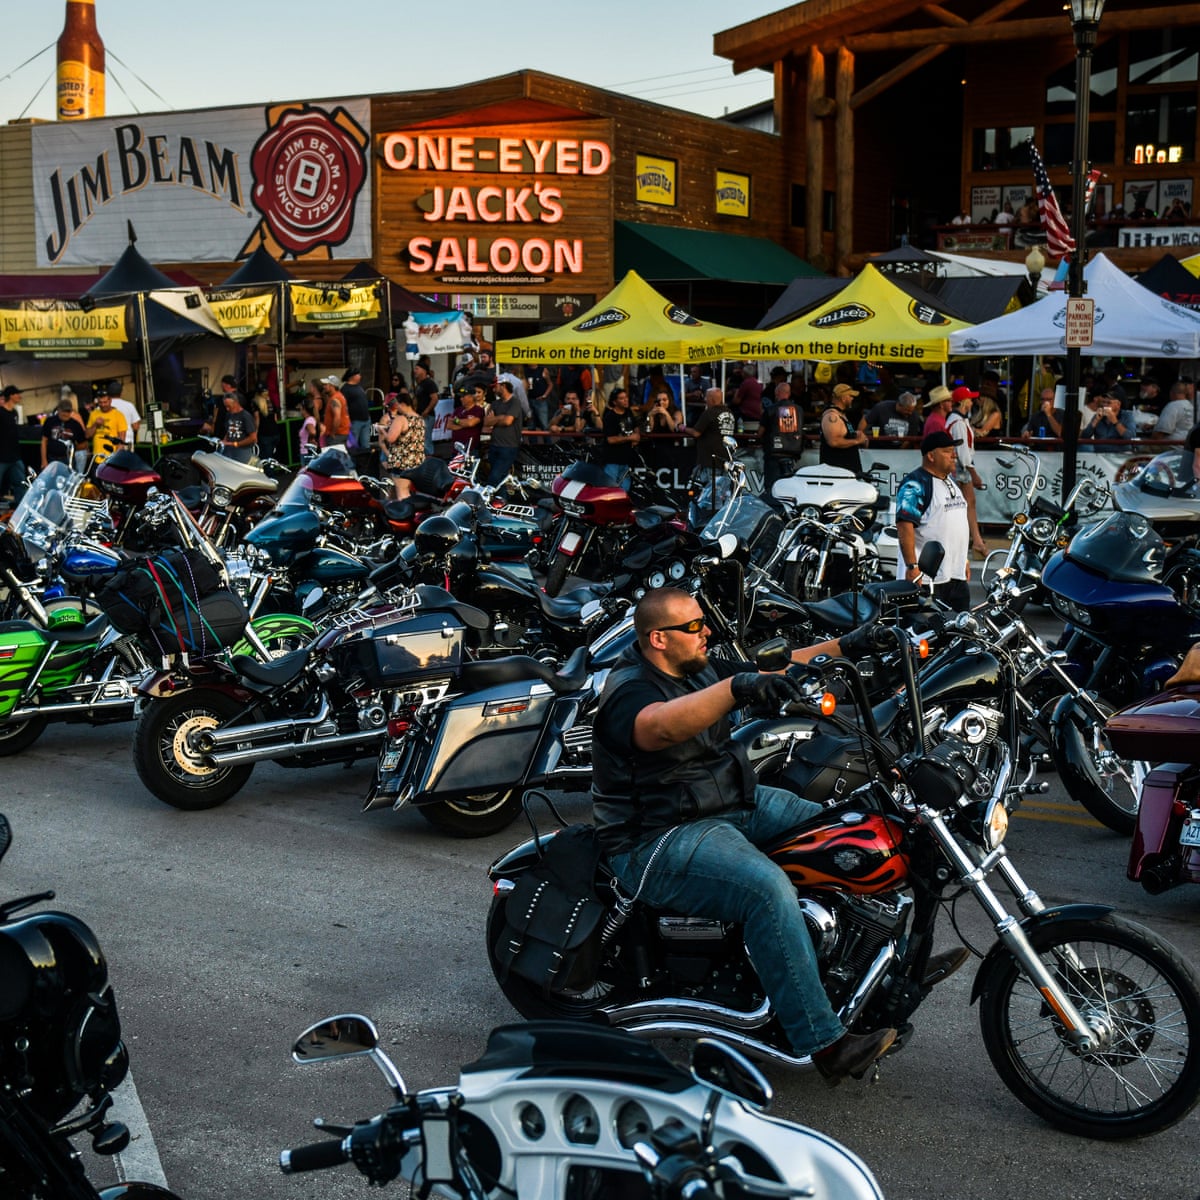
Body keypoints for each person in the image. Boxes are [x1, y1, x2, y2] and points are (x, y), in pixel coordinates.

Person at [592, 587, 960, 1079]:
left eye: (703, 623)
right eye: (693, 627)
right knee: (767, 889)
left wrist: (850, 645)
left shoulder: (693, 664)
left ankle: (892, 967)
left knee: (854, 829)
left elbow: (775, 668)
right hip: (656, 835)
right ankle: (825, 1044)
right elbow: (659, 727)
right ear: (658, 638)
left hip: (731, 803)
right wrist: (734, 689)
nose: (705, 632)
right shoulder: (630, 689)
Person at [895, 431, 971, 611]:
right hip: (928, 580)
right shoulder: (915, 484)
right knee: (925, 629)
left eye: (953, 450)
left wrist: (964, 560)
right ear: (930, 456)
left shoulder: (950, 482)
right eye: (947, 451)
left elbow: (955, 524)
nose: (954, 455)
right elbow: (905, 525)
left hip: (955, 576)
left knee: (961, 629)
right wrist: (912, 566)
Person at [945, 386, 988, 559]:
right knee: (967, 505)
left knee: (966, 504)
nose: (972, 401)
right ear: (963, 402)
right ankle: (975, 541)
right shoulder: (958, 423)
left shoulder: (957, 421)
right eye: (969, 399)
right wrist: (974, 473)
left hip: (959, 467)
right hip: (961, 468)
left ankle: (975, 541)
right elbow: (963, 452)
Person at [761, 380, 805, 495]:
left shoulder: (771, 409)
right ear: (789, 394)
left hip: (774, 454)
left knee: (772, 488)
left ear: (776, 394)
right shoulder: (799, 410)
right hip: (793, 454)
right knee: (789, 490)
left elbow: (760, 432)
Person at [378, 393, 425, 498]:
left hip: (402, 461)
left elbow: (391, 439)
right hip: (417, 460)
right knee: (410, 490)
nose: (397, 408)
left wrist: (382, 430)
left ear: (403, 404)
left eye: (398, 404)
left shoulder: (401, 419)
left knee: (402, 493)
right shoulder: (419, 418)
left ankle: (404, 512)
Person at [820, 382, 867, 475]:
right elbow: (834, 442)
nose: (852, 398)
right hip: (837, 473)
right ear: (843, 397)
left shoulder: (841, 415)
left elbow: (845, 435)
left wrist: (856, 435)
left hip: (848, 471)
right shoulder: (832, 416)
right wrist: (857, 441)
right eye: (850, 396)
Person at [483, 379, 524, 485]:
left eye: (495, 386)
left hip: (509, 446)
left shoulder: (515, 402)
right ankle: (501, 499)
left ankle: (494, 497)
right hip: (494, 444)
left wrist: (496, 419)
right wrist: (501, 417)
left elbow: (507, 421)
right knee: (500, 477)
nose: (493, 389)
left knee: (494, 476)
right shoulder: (495, 403)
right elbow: (487, 422)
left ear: (503, 386)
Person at [84, 385, 128, 464]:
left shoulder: (118, 415)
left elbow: (122, 441)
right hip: (96, 459)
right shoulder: (93, 414)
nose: (103, 405)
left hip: (112, 459)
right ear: (97, 401)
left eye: (105, 402)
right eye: (100, 402)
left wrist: (115, 457)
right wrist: (95, 425)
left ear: (110, 400)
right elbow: (87, 435)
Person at [0, 385, 28, 507]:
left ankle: (20, 509)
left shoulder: (15, 412)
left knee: (21, 483)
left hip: (15, 456)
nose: (19, 396)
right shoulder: (0, 412)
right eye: (17, 394)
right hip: (1, 456)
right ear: (11, 395)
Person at [41, 397, 86, 469]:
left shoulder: (75, 424)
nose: (66, 414)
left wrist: (71, 449)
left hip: (68, 459)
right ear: (58, 410)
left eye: (68, 411)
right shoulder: (50, 421)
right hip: (52, 458)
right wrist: (44, 460)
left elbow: (83, 444)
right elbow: (44, 441)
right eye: (64, 411)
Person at [602, 386, 641, 468]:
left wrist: (636, 436)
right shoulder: (610, 416)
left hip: (627, 459)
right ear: (614, 402)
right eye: (621, 398)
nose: (625, 400)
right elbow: (610, 439)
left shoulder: (629, 412)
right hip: (613, 460)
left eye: (626, 397)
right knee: (611, 481)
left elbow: (635, 426)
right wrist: (630, 438)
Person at [218, 388, 258, 463]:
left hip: (242, 452)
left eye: (229, 406)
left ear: (236, 403)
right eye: (225, 406)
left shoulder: (246, 416)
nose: (227, 409)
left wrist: (235, 444)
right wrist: (224, 441)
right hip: (229, 450)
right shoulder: (229, 415)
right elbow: (228, 431)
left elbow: (253, 438)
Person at [342, 367, 372, 453]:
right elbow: (344, 406)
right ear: (352, 376)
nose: (360, 376)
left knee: (366, 445)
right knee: (353, 445)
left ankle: (365, 462)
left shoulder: (359, 387)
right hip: (355, 421)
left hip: (365, 419)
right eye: (358, 374)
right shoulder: (345, 389)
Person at [450, 385, 486, 455]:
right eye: (461, 397)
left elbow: (470, 423)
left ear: (471, 397)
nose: (461, 399)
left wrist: (457, 421)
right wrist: (464, 424)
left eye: (463, 397)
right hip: (456, 449)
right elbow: (449, 425)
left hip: (470, 449)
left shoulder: (478, 410)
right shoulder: (458, 410)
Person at [319, 375, 350, 450]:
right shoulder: (338, 396)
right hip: (341, 433)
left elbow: (337, 418)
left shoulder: (335, 399)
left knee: (334, 459)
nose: (323, 387)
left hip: (337, 435)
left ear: (332, 386)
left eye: (326, 385)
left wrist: (333, 433)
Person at [107, 381, 140, 446]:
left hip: (109, 442)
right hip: (126, 442)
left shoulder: (102, 407)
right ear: (121, 392)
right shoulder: (129, 405)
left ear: (108, 393)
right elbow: (136, 427)